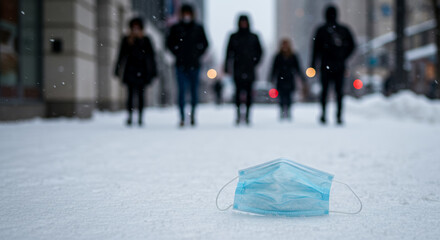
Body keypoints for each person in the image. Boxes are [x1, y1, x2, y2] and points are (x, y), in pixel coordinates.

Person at [310, 5, 355, 125]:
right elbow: (352, 46)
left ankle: (324, 114)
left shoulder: (321, 30)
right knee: (338, 92)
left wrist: (313, 65)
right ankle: (339, 115)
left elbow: (315, 50)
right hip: (339, 66)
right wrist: (343, 56)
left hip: (326, 66)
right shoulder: (343, 30)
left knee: (325, 91)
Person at [166, 4, 209, 127]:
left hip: (194, 65)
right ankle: (182, 117)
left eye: (188, 13)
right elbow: (168, 43)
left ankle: (193, 115)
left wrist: (196, 54)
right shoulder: (176, 28)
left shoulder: (198, 28)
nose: (186, 16)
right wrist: (177, 53)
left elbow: (205, 44)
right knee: (181, 91)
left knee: (194, 92)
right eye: (184, 13)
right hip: (180, 64)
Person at [114, 17, 157, 126]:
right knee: (130, 95)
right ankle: (129, 115)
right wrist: (117, 69)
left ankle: (140, 117)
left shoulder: (146, 40)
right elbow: (121, 56)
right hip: (130, 71)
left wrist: (153, 72)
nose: (136, 30)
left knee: (141, 95)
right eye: (134, 27)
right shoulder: (127, 40)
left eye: (138, 28)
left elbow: (151, 57)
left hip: (143, 72)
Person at [224, 15, 263, 125]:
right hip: (238, 69)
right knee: (237, 93)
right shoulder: (233, 37)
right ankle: (237, 114)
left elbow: (260, 52)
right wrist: (227, 66)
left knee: (249, 93)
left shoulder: (254, 37)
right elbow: (228, 53)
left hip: (250, 69)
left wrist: (254, 62)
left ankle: (247, 115)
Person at [270, 38, 307, 121]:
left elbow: (298, 68)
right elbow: (274, 69)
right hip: (281, 79)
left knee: (289, 96)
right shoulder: (278, 56)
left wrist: (303, 79)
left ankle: (288, 111)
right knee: (282, 97)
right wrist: (271, 78)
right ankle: (282, 111)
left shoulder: (293, 56)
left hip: (289, 79)